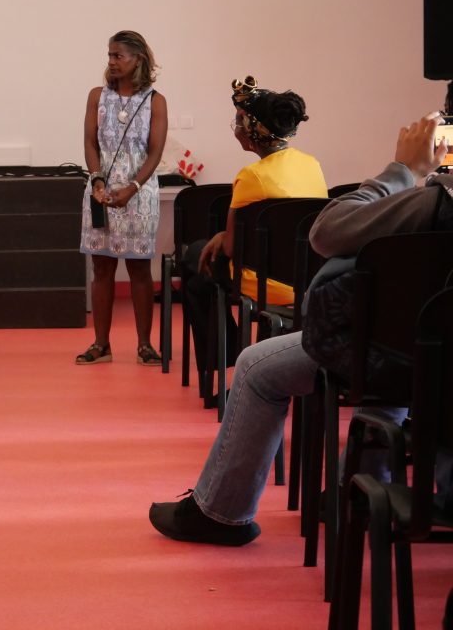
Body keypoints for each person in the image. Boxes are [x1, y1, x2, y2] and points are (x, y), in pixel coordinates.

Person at [149, 113, 450, 545]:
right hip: (426, 356)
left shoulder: (434, 203)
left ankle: (221, 512)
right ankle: (353, 490)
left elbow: (325, 232)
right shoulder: (310, 166)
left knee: (255, 363)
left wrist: (403, 169)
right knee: (397, 366)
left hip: (386, 345)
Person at [183, 76, 327, 378]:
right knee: (200, 265)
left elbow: (231, 247)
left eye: (239, 120)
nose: (235, 128)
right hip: (305, 280)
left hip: (265, 283)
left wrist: (222, 235)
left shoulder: (251, 176)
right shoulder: (311, 164)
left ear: (252, 130)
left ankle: (224, 356)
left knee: (195, 257)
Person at [77, 30, 168, 366]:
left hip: (139, 193)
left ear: (137, 59)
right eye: (110, 55)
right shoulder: (96, 96)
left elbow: (155, 152)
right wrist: (97, 180)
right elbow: (90, 143)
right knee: (101, 268)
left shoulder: (155, 101)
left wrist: (132, 188)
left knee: (140, 269)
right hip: (100, 191)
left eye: (118, 55)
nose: (112, 61)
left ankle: (145, 345)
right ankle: (101, 344)